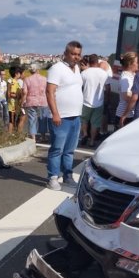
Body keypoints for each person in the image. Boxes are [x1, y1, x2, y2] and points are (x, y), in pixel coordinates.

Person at [45, 40, 84, 191]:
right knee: (57, 149)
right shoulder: (57, 69)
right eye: (73, 54)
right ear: (66, 53)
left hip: (75, 116)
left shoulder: (77, 69)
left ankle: (67, 176)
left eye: (78, 54)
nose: (76, 57)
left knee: (69, 150)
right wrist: (55, 113)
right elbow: (50, 91)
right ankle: (52, 177)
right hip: (61, 116)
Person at [79, 54, 108, 146]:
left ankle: (84, 134)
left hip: (85, 100)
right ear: (97, 62)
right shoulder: (104, 73)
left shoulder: (84, 73)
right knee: (95, 123)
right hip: (98, 102)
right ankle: (92, 141)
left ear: (89, 62)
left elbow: (80, 87)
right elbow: (107, 88)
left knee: (84, 120)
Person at [23, 63, 49, 142]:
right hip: (43, 101)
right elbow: (48, 90)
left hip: (31, 101)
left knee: (32, 119)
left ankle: (33, 137)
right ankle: (43, 136)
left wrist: (23, 101)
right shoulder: (45, 79)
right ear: (38, 70)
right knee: (43, 119)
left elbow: (25, 92)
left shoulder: (27, 79)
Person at [115, 52, 138, 128]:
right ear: (130, 64)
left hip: (130, 114)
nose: (138, 64)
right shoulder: (125, 78)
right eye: (137, 62)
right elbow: (126, 96)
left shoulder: (133, 75)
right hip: (124, 116)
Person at [6, 65, 23, 134]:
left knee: (15, 119)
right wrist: (13, 96)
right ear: (16, 74)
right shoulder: (10, 81)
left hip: (16, 103)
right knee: (11, 120)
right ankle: (9, 134)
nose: (20, 75)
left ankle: (13, 133)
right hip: (12, 103)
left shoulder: (17, 82)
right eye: (19, 73)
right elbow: (9, 92)